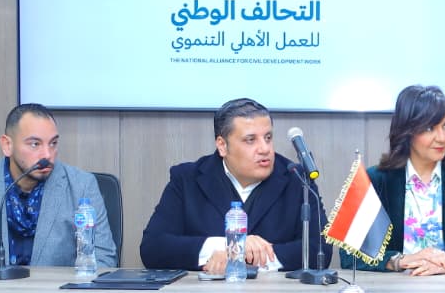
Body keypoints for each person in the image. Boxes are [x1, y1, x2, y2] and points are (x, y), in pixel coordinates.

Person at [140, 97, 328, 274]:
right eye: (250, 140)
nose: (265, 149)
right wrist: (225, 246)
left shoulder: (297, 178)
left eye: (268, 137)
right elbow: (153, 248)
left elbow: (320, 250)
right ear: (222, 146)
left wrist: (243, 255)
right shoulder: (187, 179)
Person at [343, 85, 445, 275]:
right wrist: (399, 261)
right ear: (407, 131)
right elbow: (349, 254)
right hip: (393, 287)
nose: (442, 137)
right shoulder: (375, 181)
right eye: (429, 128)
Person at [0, 103, 117, 268]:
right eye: (35, 144)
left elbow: (104, 260)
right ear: (7, 145)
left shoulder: (82, 186)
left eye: (53, 143)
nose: (47, 155)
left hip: (58, 290)